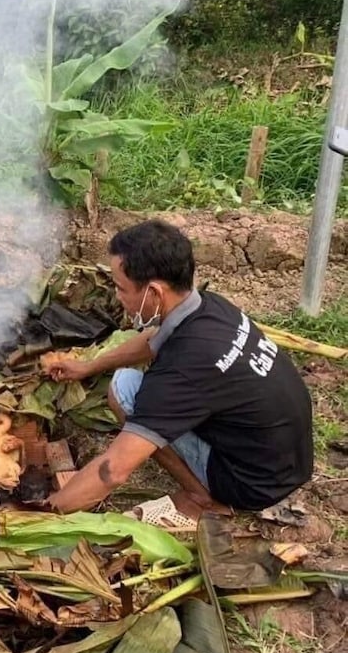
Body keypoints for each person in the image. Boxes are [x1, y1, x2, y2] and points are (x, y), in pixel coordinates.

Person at [44, 219, 313, 528]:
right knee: (124, 383)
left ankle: (204, 499)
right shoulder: (211, 308)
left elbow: (113, 471)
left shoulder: (183, 370)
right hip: (288, 461)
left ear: (154, 293)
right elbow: (154, 339)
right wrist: (88, 366)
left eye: (121, 288)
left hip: (254, 484)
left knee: (125, 395)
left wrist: (41, 512)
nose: (117, 296)